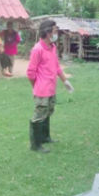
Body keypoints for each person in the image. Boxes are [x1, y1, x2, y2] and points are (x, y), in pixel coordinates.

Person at [27, 20, 74, 153]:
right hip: (42, 89)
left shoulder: (52, 47)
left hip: (51, 88)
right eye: (54, 30)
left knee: (48, 112)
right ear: (48, 33)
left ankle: (45, 137)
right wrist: (35, 87)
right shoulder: (38, 49)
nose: (56, 33)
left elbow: (57, 67)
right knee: (39, 115)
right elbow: (30, 72)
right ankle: (35, 144)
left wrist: (65, 81)